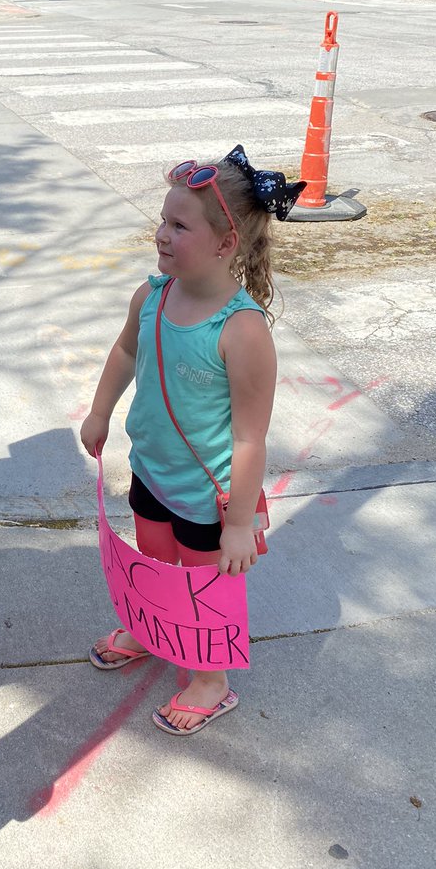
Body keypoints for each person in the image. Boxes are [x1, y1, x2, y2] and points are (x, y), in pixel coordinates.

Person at [80, 147, 304, 737]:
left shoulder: (241, 329)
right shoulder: (152, 294)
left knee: (204, 588)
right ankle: (152, 630)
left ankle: (211, 678)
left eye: (179, 225)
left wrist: (236, 525)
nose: (161, 234)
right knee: (153, 563)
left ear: (225, 244)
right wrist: (100, 411)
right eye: (163, 219)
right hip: (152, 471)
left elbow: (251, 436)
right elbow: (126, 351)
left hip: (211, 495)